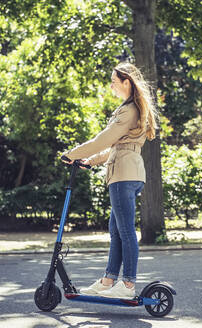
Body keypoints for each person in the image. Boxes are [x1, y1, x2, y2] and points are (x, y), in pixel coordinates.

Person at [62, 62, 158, 299]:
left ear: (127, 82)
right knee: (116, 230)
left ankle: (127, 285)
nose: (112, 86)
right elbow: (116, 146)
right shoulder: (133, 109)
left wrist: (72, 154)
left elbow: (104, 139)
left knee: (125, 232)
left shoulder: (129, 111)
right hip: (128, 173)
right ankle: (108, 281)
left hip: (123, 176)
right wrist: (89, 161)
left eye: (114, 81)